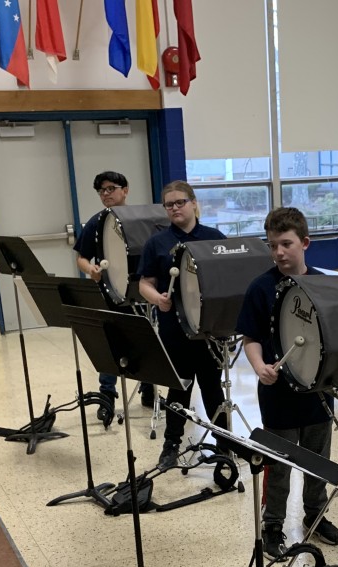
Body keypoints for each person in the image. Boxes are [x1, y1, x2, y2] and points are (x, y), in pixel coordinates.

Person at [237, 207, 338, 558]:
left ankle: (316, 516)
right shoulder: (260, 287)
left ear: (305, 242)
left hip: (317, 394)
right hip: (277, 394)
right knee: (278, 465)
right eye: (272, 246)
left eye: (286, 244)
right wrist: (258, 366)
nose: (279, 252)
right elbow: (249, 338)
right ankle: (273, 524)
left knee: (317, 461)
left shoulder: (323, 285)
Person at [137, 180, 227, 467]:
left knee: (214, 389)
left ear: (193, 203)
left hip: (209, 330)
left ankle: (224, 444)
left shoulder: (214, 238)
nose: (174, 208)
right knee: (179, 388)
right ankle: (171, 445)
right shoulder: (157, 243)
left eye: (180, 202)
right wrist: (157, 298)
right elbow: (144, 283)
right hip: (174, 328)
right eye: (169, 204)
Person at [74, 171, 130, 425]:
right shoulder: (95, 222)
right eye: (101, 191)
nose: (105, 194)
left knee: (147, 341)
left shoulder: (139, 219)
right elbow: (81, 257)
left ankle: (150, 389)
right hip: (107, 293)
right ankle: (107, 394)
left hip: (137, 295)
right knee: (109, 343)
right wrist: (90, 270)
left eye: (110, 188)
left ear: (125, 190)